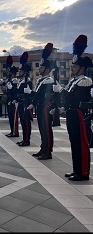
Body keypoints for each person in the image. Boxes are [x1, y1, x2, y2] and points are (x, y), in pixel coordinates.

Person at [52, 34, 91, 181]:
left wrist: (61, 90)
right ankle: (76, 170)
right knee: (74, 143)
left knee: (81, 143)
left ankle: (83, 172)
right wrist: (61, 108)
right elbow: (69, 100)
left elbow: (76, 100)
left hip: (80, 115)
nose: (72, 68)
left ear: (82, 68)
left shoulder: (85, 81)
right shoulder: (74, 81)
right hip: (72, 114)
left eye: (74, 66)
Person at [25, 43, 55, 159]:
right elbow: (38, 96)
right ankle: (43, 148)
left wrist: (31, 93)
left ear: (47, 69)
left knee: (47, 129)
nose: (39, 69)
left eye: (42, 67)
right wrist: (33, 102)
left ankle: (47, 152)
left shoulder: (48, 80)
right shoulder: (41, 80)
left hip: (46, 107)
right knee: (42, 129)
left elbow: (43, 96)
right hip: (40, 107)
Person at [0, 55, 19, 138]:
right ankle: (12, 131)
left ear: (13, 73)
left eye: (10, 72)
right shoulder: (10, 80)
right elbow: (7, 87)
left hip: (13, 100)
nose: (9, 73)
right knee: (10, 117)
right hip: (9, 99)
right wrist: (2, 83)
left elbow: (16, 91)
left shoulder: (15, 80)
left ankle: (15, 132)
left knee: (13, 118)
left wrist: (11, 88)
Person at [16, 52, 33, 146]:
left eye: (21, 71)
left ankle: (27, 140)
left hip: (25, 104)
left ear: (25, 72)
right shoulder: (21, 81)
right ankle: (24, 139)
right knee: (22, 122)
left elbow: (29, 94)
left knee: (26, 123)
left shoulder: (28, 81)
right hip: (21, 103)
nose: (19, 73)